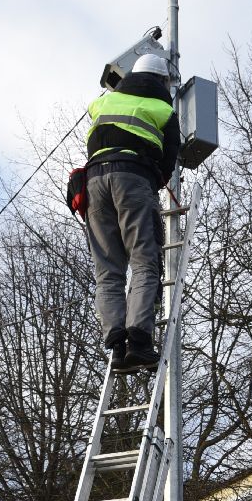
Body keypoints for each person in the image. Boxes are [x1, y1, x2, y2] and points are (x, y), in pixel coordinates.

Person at [85, 51, 183, 372]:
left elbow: (95, 128)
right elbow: (169, 159)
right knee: (144, 259)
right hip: (133, 178)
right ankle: (139, 342)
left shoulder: (103, 103)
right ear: (161, 82)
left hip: (93, 182)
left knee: (108, 270)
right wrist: (156, 180)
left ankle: (116, 345)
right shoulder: (164, 109)